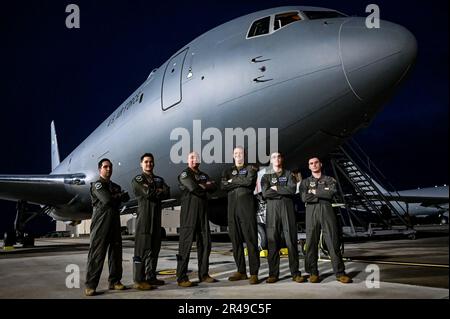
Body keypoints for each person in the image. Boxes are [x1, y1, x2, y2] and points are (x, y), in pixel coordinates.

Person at [300, 157, 352, 284]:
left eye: (316, 162)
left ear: (320, 164)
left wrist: (314, 192)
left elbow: (331, 193)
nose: (314, 165)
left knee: (333, 242)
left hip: (327, 211)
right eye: (311, 163)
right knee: (311, 242)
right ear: (309, 166)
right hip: (311, 212)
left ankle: (340, 273)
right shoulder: (305, 182)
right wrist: (321, 192)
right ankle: (313, 273)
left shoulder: (329, 179)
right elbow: (304, 197)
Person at [85, 158, 130, 296]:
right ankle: (91, 285)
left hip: (115, 223)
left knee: (116, 254)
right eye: (105, 167)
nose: (108, 169)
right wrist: (118, 196)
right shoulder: (97, 185)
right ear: (100, 169)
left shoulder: (114, 186)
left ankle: (115, 281)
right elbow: (107, 199)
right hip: (100, 224)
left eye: (110, 167)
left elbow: (126, 197)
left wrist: (116, 196)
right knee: (97, 255)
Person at [176, 152, 218, 287]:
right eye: (192, 158)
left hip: (202, 214)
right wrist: (204, 186)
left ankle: (204, 274)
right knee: (185, 245)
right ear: (188, 160)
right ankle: (181, 277)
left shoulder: (204, 175)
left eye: (197, 158)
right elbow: (193, 188)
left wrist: (203, 185)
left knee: (205, 244)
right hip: (189, 214)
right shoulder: (184, 174)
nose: (195, 160)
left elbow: (214, 187)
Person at [261, 152, 304, 283]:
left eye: (279, 157)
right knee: (272, 241)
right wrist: (282, 190)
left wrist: (275, 188)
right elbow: (265, 193)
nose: (277, 159)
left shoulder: (289, 174)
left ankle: (295, 273)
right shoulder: (266, 177)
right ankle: (273, 274)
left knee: (291, 240)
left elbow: (291, 190)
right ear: (271, 160)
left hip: (287, 208)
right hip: (272, 209)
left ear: (282, 159)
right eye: (274, 157)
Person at [221, 146, 260, 285]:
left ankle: (254, 273)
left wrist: (233, 181)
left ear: (244, 155)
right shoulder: (227, 171)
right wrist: (238, 181)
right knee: (235, 241)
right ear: (233, 155)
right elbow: (223, 186)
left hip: (246, 209)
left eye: (240, 153)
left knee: (251, 240)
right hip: (232, 210)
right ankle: (241, 271)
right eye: (236, 153)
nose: (238, 155)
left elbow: (249, 182)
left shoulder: (251, 169)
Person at [132, 153, 170, 290]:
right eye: (146, 162)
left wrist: (154, 190)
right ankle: (138, 279)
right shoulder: (137, 179)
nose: (149, 164)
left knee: (155, 248)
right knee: (142, 250)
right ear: (141, 164)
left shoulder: (159, 179)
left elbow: (167, 192)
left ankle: (151, 276)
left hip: (156, 218)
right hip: (144, 219)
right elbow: (147, 193)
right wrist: (157, 191)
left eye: (151, 162)